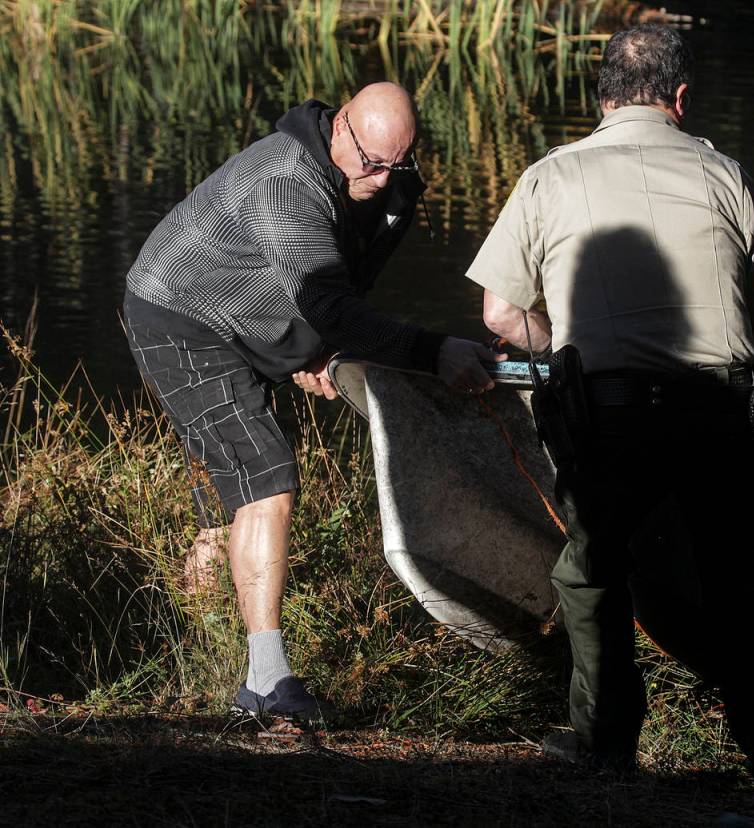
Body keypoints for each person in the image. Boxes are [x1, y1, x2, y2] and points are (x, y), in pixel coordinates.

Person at [465, 25, 754, 777]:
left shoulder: (549, 178)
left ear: (603, 97)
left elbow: (498, 314)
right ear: (681, 98)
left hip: (612, 412)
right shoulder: (726, 174)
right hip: (724, 410)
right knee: (737, 571)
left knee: (592, 566)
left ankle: (604, 740)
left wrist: (557, 345)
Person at [124, 82, 498, 722]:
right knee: (266, 480)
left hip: (252, 317)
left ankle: (199, 651)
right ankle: (266, 684)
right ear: (340, 127)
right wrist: (433, 350)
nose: (380, 180)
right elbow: (329, 301)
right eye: (370, 163)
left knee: (229, 497)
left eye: (396, 164)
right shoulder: (284, 182)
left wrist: (318, 348)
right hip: (180, 318)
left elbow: (340, 284)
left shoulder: (388, 185)